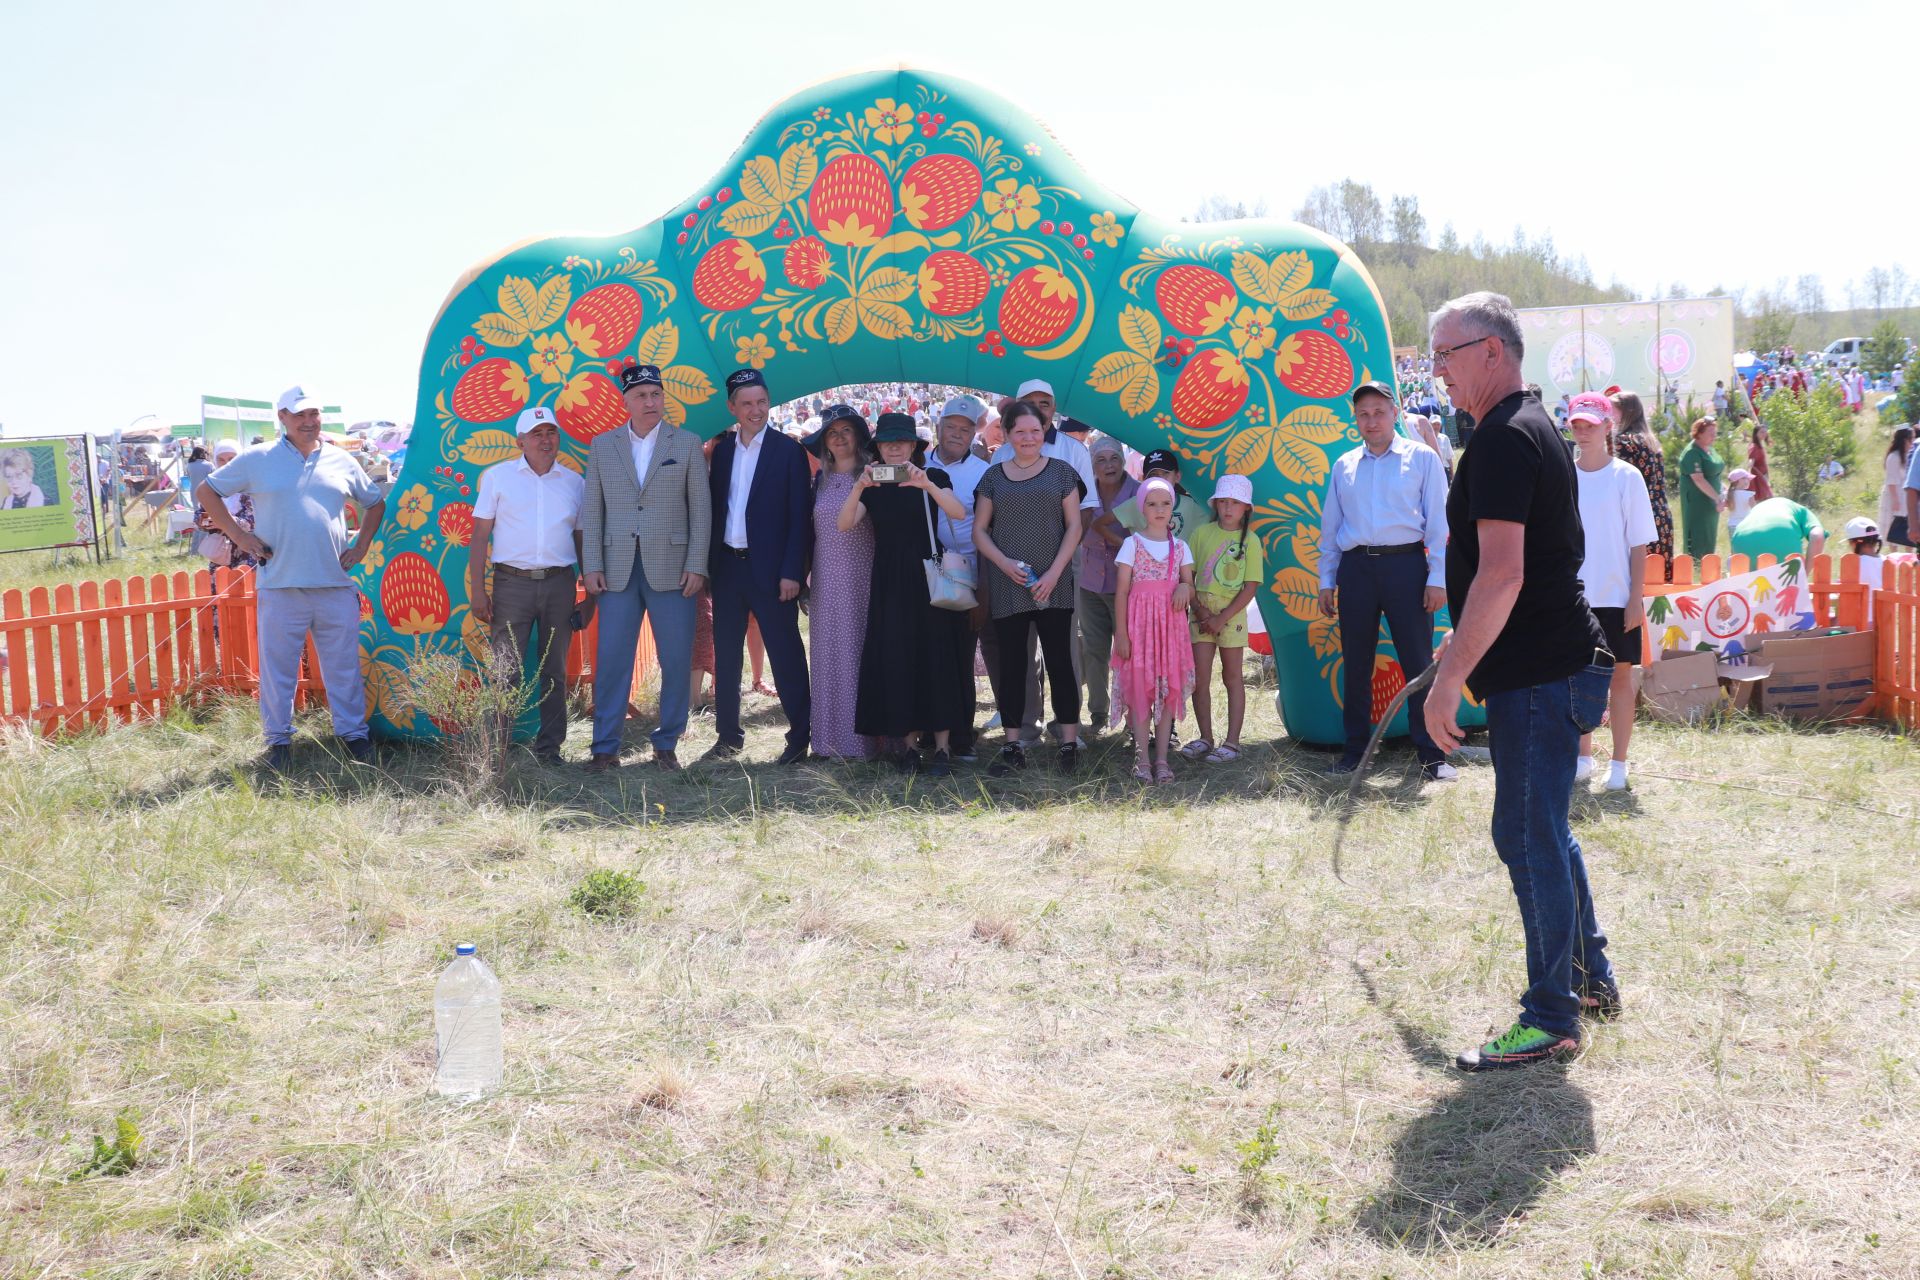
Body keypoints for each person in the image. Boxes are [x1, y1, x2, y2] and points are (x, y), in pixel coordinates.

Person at [1421, 292, 1616, 1072]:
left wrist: (1449, 680)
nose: (1437, 369)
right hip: (1549, 666)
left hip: (1540, 674)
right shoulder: (1526, 427)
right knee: (1543, 831)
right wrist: (1459, 652)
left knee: (1528, 836)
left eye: (1446, 354)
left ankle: (1551, 1016)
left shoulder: (1503, 438)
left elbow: (1502, 576)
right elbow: (1499, 578)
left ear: (1491, 352)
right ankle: (1588, 980)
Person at [195, 386, 385, 770]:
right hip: (280, 586)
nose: (308, 421)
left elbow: (375, 502)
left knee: (343, 666)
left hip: (334, 583)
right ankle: (278, 742)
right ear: (281, 417)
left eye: (313, 413)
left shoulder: (342, 460)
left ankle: (353, 736)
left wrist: (361, 546)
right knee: (279, 670)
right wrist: (240, 537)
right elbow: (206, 491)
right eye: (299, 415)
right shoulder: (257, 459)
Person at [1317, 380, 1454, 781]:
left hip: (1407, 568)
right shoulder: (1344, 465)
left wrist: (1438, 578)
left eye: (1379, 411)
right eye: (1363, 414)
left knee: (1417, 662)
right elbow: (1331, 529)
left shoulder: (1423, 458)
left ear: (1395, 413)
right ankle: (1355, 752)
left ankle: (1432, 755)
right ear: (1355, 419)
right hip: (1356, 569)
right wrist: (1327, 580)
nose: (1371, 420)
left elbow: (1438, 525)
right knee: (1356, 663)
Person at [580, 363, 710, 773]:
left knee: (675, 659)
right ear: (626, 401)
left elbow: (701, 510)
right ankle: (604, 747)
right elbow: (592, 510)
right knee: (613, 659)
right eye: (641, 395)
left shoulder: (687, 443)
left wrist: (697, 564)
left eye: (656, 394)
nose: (650, 401)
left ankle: (667, 743)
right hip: (616, 569)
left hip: (673, 569)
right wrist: (592, 565)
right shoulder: (602, 446)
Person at [837, 413, 973, 776]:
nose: (894, 447)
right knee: (898, 658)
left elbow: (959, 513)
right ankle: (909, 747)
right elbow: (844, 523)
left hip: (929, 576)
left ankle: (942, 749)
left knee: (936, 657)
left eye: (901, 441)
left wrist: (926, 485)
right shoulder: (873, 484)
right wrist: (858, 488)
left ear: (914, 446)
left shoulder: (933, 476)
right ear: (877, 448)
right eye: (887, 442)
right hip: (889, 582)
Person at [704, 368, 814, 766]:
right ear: (732, 407)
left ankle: (800, 736)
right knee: (727, 655)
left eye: (762, 402)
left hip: (772, 572)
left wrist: (792, 573)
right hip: (728, 568)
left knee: (785, 654)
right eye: (747, 403)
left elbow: (800, 518)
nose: (756, 410)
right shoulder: (724, 451)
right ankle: (728, 737)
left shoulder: (788, 451)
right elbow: (718, 511)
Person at [467, 404, 586, 767]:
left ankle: (550, 750)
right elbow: (479, 535)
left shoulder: (574, 482)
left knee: (554, 670)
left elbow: (582, 538)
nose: (546, 440)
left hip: (559, 585)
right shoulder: (498, 478)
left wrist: (589, 591)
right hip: (511, 584)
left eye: (551, 432)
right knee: (506, 671)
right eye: (537, 434)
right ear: (520, 441)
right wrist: (477, 590)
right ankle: (497, 751)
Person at [973, 400, 1085, 776]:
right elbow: (979, 531)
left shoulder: (1063, 472)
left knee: (1060, 662)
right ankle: (1012, 743)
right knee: (1013, 665)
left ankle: (1068, 741)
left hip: (1055, 584)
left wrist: (1054, 572)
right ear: (1006, 434)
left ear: (1045, 431)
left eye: (1035, 430)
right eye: (1019, 431)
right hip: (1009, 585)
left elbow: (1074, 527)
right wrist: (1003, 564)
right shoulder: (993, 477)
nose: (1028, 437)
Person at [1565, 393, 1655, 792]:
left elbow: (1639, 545)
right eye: (1576, 425)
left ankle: (1618, 763)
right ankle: (1582, 756)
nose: (1582, 432)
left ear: (1608, 427)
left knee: (1620, 679)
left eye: (1590, 424)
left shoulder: (1626, 477)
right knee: (1577, 679)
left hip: (1617, 597)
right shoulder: (1564, 475)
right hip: (1573, 598)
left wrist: (1635, 597)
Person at [920, 393, 992, 758]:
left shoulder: (982, 473)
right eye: (951, 427)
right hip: (921, 576)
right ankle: (929, 732)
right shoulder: (916, 464)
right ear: (939, 427)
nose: (957, 434)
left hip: (964, 576)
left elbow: (987, 530)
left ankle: (961, 736)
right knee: (926, 657)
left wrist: (982, 589)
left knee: (961, 660)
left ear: (973, 434)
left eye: (965, 429)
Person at [1111, 477, 1195, 783]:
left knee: (1166, 693)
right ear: (1141, 508)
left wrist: (1186, 587)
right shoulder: (1131, 544)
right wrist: (1121, 633)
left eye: (1165, 503)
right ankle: (1142, 758)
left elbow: (1189, 584)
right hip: (1139, 630)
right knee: (1140, 691)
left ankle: (1162, 759)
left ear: (1173, 506)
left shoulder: (1181, 546)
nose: (1159, 509)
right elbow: (1121, 592)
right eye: (1152, 503)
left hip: (1169, 633)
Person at [805, 405, 877, 760]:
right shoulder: (820, 479)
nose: (839, 437)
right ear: (824, 441)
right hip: (826, 577)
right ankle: (831, 740)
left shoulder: (873, 474)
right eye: (832, 432)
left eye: (846, 430)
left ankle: (867, 741)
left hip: (864, 574)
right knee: (828, 655)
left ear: (858, 436)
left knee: (863, 653)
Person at [1183, 473, 1263, 763]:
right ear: (1215, 504)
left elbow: (1250, 586)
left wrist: (1221, 618)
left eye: (1235, 503)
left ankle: (1232, 742)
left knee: (1232, 677)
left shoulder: (1251, 541)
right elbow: (1187, 577)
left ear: (1246, 509)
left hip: (1232, 615)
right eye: (1223, 502)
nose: (1228, 508)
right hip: (1200, 613)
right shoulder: (1200, 534)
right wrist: (1201, 610)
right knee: (1199, 678)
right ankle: (1205, 737)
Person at [1078, 436, 1138, 736]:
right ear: (1092, 466)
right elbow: (1078, 532)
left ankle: (1132, 716)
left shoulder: (1139, 493)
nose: (1108, 465)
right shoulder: (1084, 491)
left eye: (1113, 458)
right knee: (1094, 649)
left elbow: (1142, 542)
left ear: (1123, 461)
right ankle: (1098, 714)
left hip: (1126, 587)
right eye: (1100, 460)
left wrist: (1112, 541)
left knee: (1128, 652)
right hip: (1089, 582)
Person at [1610, 391, 1673, 578]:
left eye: (1613, 410)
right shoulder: (1652, 441)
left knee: (1635, 580)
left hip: (1637, 516)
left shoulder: (1623, 442)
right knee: (1660, 581)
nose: (1610, 416)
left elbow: (1619, 483)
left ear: (1625, 412)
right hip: (1660, 514)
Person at [1677, 417, 1725, 559]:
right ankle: (1695, 564)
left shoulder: (1709, 449)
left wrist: (1723, 491)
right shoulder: (1692, 452)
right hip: (1698, 501)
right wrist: (1717, 498)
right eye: (1710, 432)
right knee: (1698, 532)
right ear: (1698, 433)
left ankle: (1708, 562)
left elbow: (1715, 473)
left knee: (1709, 532)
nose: (1714, 436)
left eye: (1715, 432)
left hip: (1712, 501)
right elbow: (1698, 479)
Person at [1729, 495, 1826, 563]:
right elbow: (1817, 536)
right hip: (1782, 532)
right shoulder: (1801, 510)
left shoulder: (1759, 508)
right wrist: (1805, 573)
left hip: (1740, 537)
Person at [1880, 427, 1912, 546]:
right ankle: (1893, 554)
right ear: (1905, 440)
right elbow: (1891, 481)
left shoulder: (1907, 455)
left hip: (1905, 495)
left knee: (1908, 525)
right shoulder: (1894, 457)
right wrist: (1895, 500)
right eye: (1911, 439)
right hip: (1895, 495)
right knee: (1893, 525)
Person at [1747, 422, 1774, 502]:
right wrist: (1748, 475)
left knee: (1766, 498)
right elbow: (1751, 461)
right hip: (1758, 476)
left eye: (1765, 432)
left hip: (1763, 474)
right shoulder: (1754, 446)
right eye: (1762, 432)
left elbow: (1770, 443)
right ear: (1756, 434)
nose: (1764, 434)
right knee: (1764, 499)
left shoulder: (1760, 444)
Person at [1724, 469, 1755, 533]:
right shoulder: (1749, 495)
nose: (1749, 480)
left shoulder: (1727, 494)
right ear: (1740, 480)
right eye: (1747, 478)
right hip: (1746, 525)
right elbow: (1755, 510)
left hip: (1732, 525)